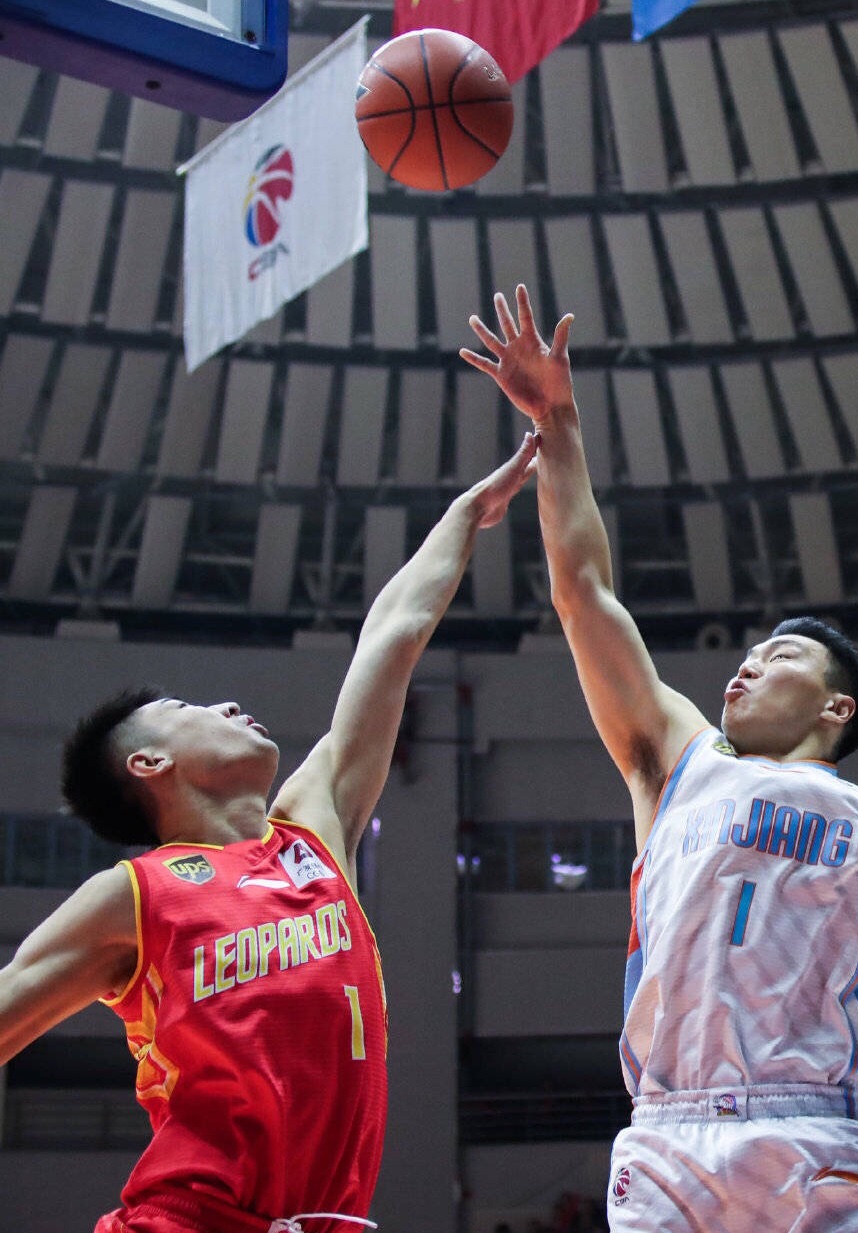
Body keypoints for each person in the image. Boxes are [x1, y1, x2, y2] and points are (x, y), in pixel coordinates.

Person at [461, 285, 858, 1233]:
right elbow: (583, 593)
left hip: (809, 1134)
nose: (746, 663)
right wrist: (559, 422)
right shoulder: (674, 758)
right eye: (746, 654)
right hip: (666, 1135)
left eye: (778, 654)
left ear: (835, 706)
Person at [0, 436, 540, 1233]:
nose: (223, 705)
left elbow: (392, 636)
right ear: (149, 763)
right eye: (188, 710)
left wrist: (465, 515)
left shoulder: (314, 829)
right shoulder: (134, 895)